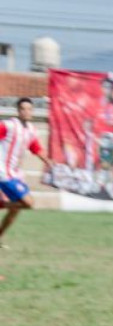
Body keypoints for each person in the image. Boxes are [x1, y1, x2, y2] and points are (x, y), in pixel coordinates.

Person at [0, 97, 53, 248]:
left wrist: (47, 160)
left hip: (15, 174)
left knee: (15, 209)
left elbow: (35, 147)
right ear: (18, 111)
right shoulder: (9, 125)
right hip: (3, 172)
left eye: (29, 109)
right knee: (28, 203)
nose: (27, 112)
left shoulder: (31, 130)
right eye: (23, 109)